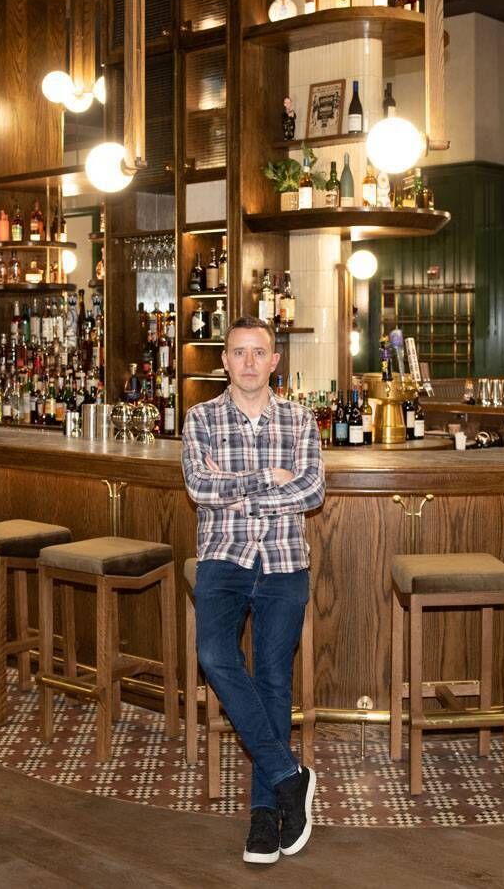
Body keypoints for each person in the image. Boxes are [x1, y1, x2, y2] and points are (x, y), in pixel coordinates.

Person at [181, 316, 325, 865]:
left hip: (285, 561)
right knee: (214, 655)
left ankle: (264, 813)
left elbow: (312, 489)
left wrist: (241, 490)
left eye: (257, 352)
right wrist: (272, 478)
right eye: (237, 352)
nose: (247, 362)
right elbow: (200, 486)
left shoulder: (300, 419)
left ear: (274, 361)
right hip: (223, 559)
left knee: (271, 677)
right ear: (224, 361)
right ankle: (290, 777)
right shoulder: (201, 418)